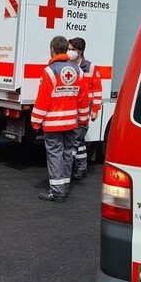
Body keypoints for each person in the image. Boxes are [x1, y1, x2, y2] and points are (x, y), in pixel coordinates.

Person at [31, 36, 89, 202]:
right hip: (71, 123)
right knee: (67, 154)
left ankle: (57, 191)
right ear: (66, 50)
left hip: (53, 124)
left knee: (55, 155)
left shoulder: (50, 71)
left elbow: (43, 100)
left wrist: (35, 121)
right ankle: (64, 186)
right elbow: (83, 99)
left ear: (52, 50)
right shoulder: (78, 70)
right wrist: (83, 120)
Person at [68, 37, 102, 180]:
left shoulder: (90, 67)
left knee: (75, 140)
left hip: (84, 110)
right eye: (69, 49)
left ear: (80, 51)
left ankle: (68, 169)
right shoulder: (68, 66)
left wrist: (95, 109)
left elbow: (97, 90)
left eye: (72, 49)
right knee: (80, 140)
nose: (70, 52)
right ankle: (81, 168)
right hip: (70, 109)